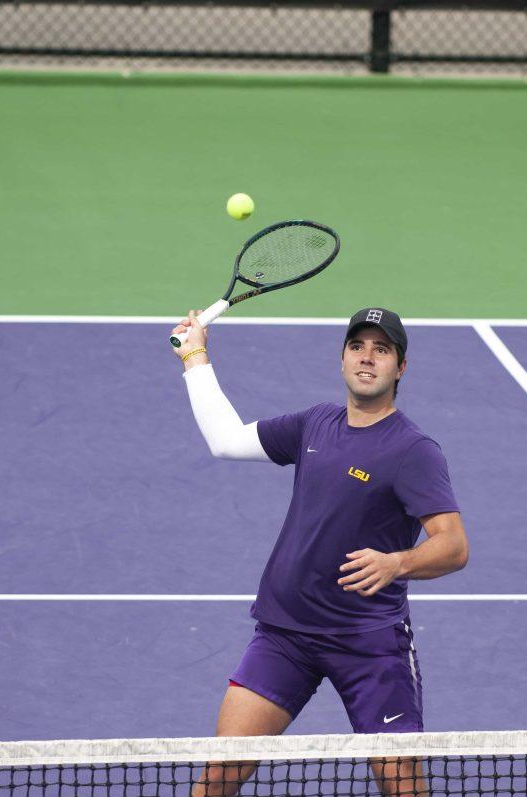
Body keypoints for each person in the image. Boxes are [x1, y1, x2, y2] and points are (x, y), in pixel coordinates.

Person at [171, 307, 469, 797]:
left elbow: (453, 545)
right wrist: (195, 358)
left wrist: (399, 562)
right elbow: (225, 441)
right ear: (343, 358)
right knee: (217, 778)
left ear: (401, 366)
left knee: (404, 788)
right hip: (284, 636)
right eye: (358, 346)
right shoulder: (315, 424)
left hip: (368, 645)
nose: (367, 358)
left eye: (382, 349)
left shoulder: (413, 451)